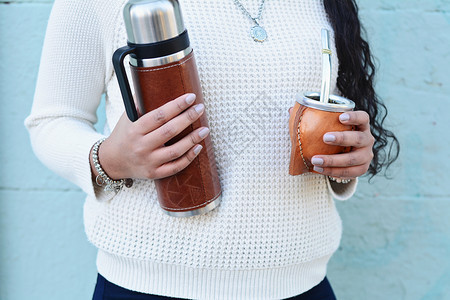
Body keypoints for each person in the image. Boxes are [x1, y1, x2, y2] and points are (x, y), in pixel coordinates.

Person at [25, 0, 399, 299]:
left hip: (302, 284)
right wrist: (109, 159)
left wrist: (345, 157)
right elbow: (52, 121)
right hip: (151, 289)